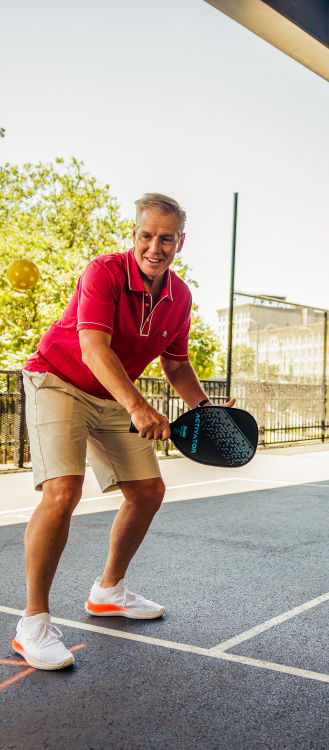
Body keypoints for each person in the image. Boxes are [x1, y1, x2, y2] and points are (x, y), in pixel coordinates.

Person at [13, 193, 233, 671]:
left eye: (166, 238)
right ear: (134, 234)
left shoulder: (180, 297)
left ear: (180, 243)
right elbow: (93, 348)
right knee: (62, 491)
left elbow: (176, 365)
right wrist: (137, 405)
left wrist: (206, 410)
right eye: (146, 235)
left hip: (114, 394)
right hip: (59, 379)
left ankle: (108, 591)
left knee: (148, 491)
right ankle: (33, 624)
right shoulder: (104, 272)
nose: (155, 246)